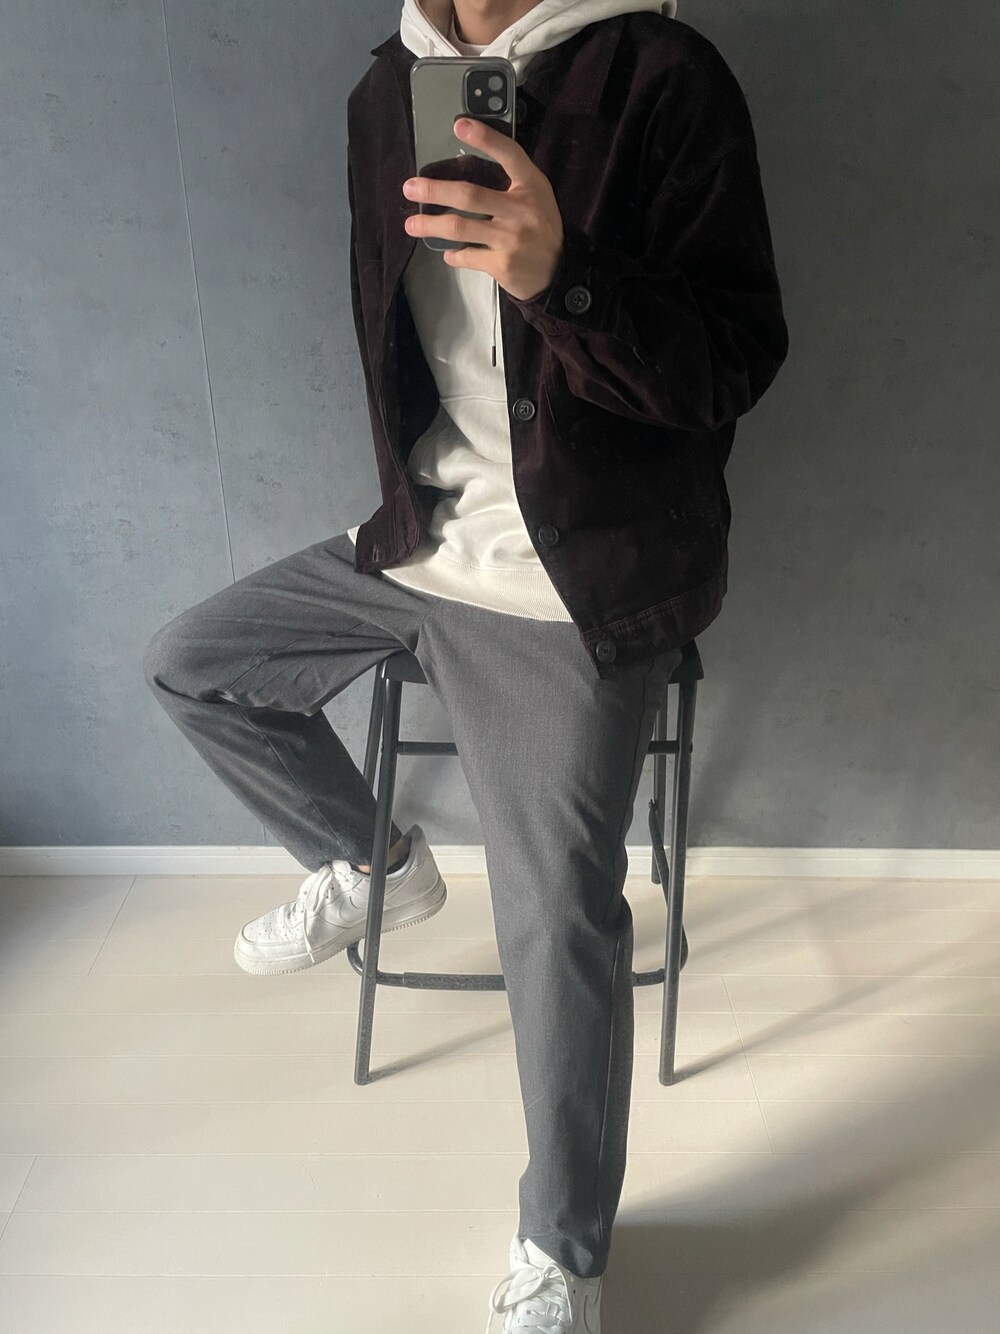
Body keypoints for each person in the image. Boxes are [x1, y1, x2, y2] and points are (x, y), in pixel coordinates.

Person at [143, 1, 788, 1329]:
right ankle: (376, 862)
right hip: (419, 537)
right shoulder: (385, 91)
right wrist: (411, 501)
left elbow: (730, 366)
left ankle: (566, 1250)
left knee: (556, 916)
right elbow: (389, 330)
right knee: (194, 663)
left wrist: (566, 277)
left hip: (578, 575)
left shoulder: (663, 75)